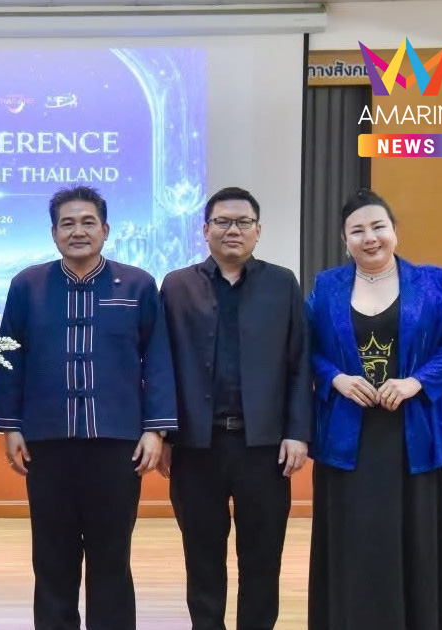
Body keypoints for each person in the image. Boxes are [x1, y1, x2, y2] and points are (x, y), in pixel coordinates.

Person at [0, 186, 176, 630]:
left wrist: (156, 430)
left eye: (88, 222)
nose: (78, 231)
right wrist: (10, 427)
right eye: (67, 224)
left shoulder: (137, 284)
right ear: (53, 233)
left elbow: (160, 358)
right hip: (47, 443)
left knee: (112, 558)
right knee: (52, 558)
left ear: (106, 230)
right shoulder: (27, 285)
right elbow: (10, 357)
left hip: (117, 444)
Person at [307, 189, 442, 630]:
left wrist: (416, 381)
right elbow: (304, 348)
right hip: (349, 436)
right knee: (358, 540)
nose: (370, 238)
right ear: (345, 240)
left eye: (378, 226)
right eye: (357, 230)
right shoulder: (326, 287)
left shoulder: (434, 283)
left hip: (417, 433)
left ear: (395, 231)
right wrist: (336, 379)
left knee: (419, 540)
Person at [159, 187, 312, 630]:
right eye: (222, 222)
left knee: (262, 559)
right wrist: (166, 433)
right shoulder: (177, 285)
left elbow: (299, 362)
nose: (233, 230)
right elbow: (162, 363)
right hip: (196, 447)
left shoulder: (281, 283)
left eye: (243, 222)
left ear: (258, 231)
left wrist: (297, 432)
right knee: (202, 558)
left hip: (263, 448)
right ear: (204, 230)